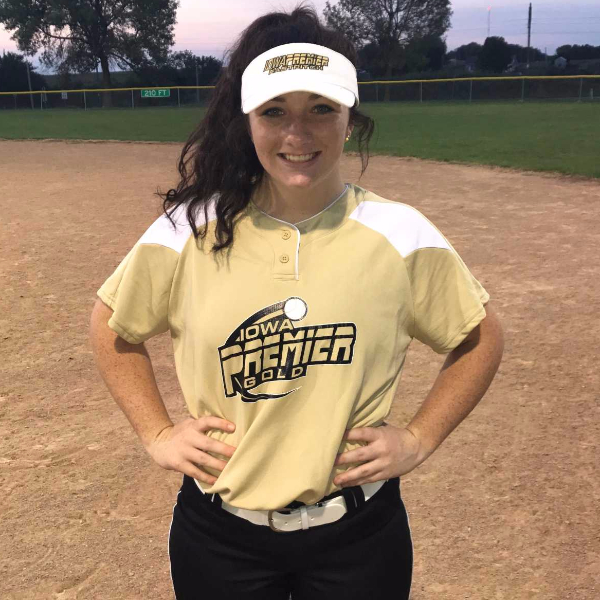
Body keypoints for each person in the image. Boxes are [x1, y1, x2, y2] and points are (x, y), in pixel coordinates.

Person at [89, 5, 504, 600]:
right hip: (221, 534)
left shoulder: (400, 233)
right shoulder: (190, 229)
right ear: (247, 121)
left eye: (321, 109)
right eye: (275, 111)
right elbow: (111, 323)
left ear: (350, 118)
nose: (298, 134)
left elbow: (480, 335)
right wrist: (157, 433)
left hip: (359, 533)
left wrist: (419, 439)